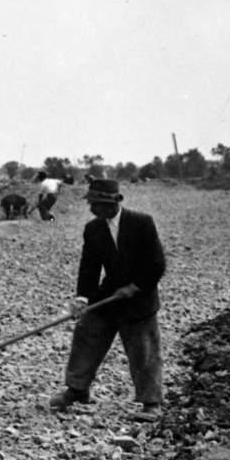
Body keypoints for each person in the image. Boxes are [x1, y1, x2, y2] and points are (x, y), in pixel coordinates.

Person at [49, 178, 167, 420]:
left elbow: (157, 264)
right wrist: (82, 299)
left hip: (140, 299)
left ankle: (151, 403)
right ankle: (78, 390)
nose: (91, 209)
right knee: (87, 334)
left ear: (111, 203)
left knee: (143, 350)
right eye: (90, 203)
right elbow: (89, 266)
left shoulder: (142, 222)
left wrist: (134, 287)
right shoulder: (93, 229)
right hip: (109, 297)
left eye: (95, 204)